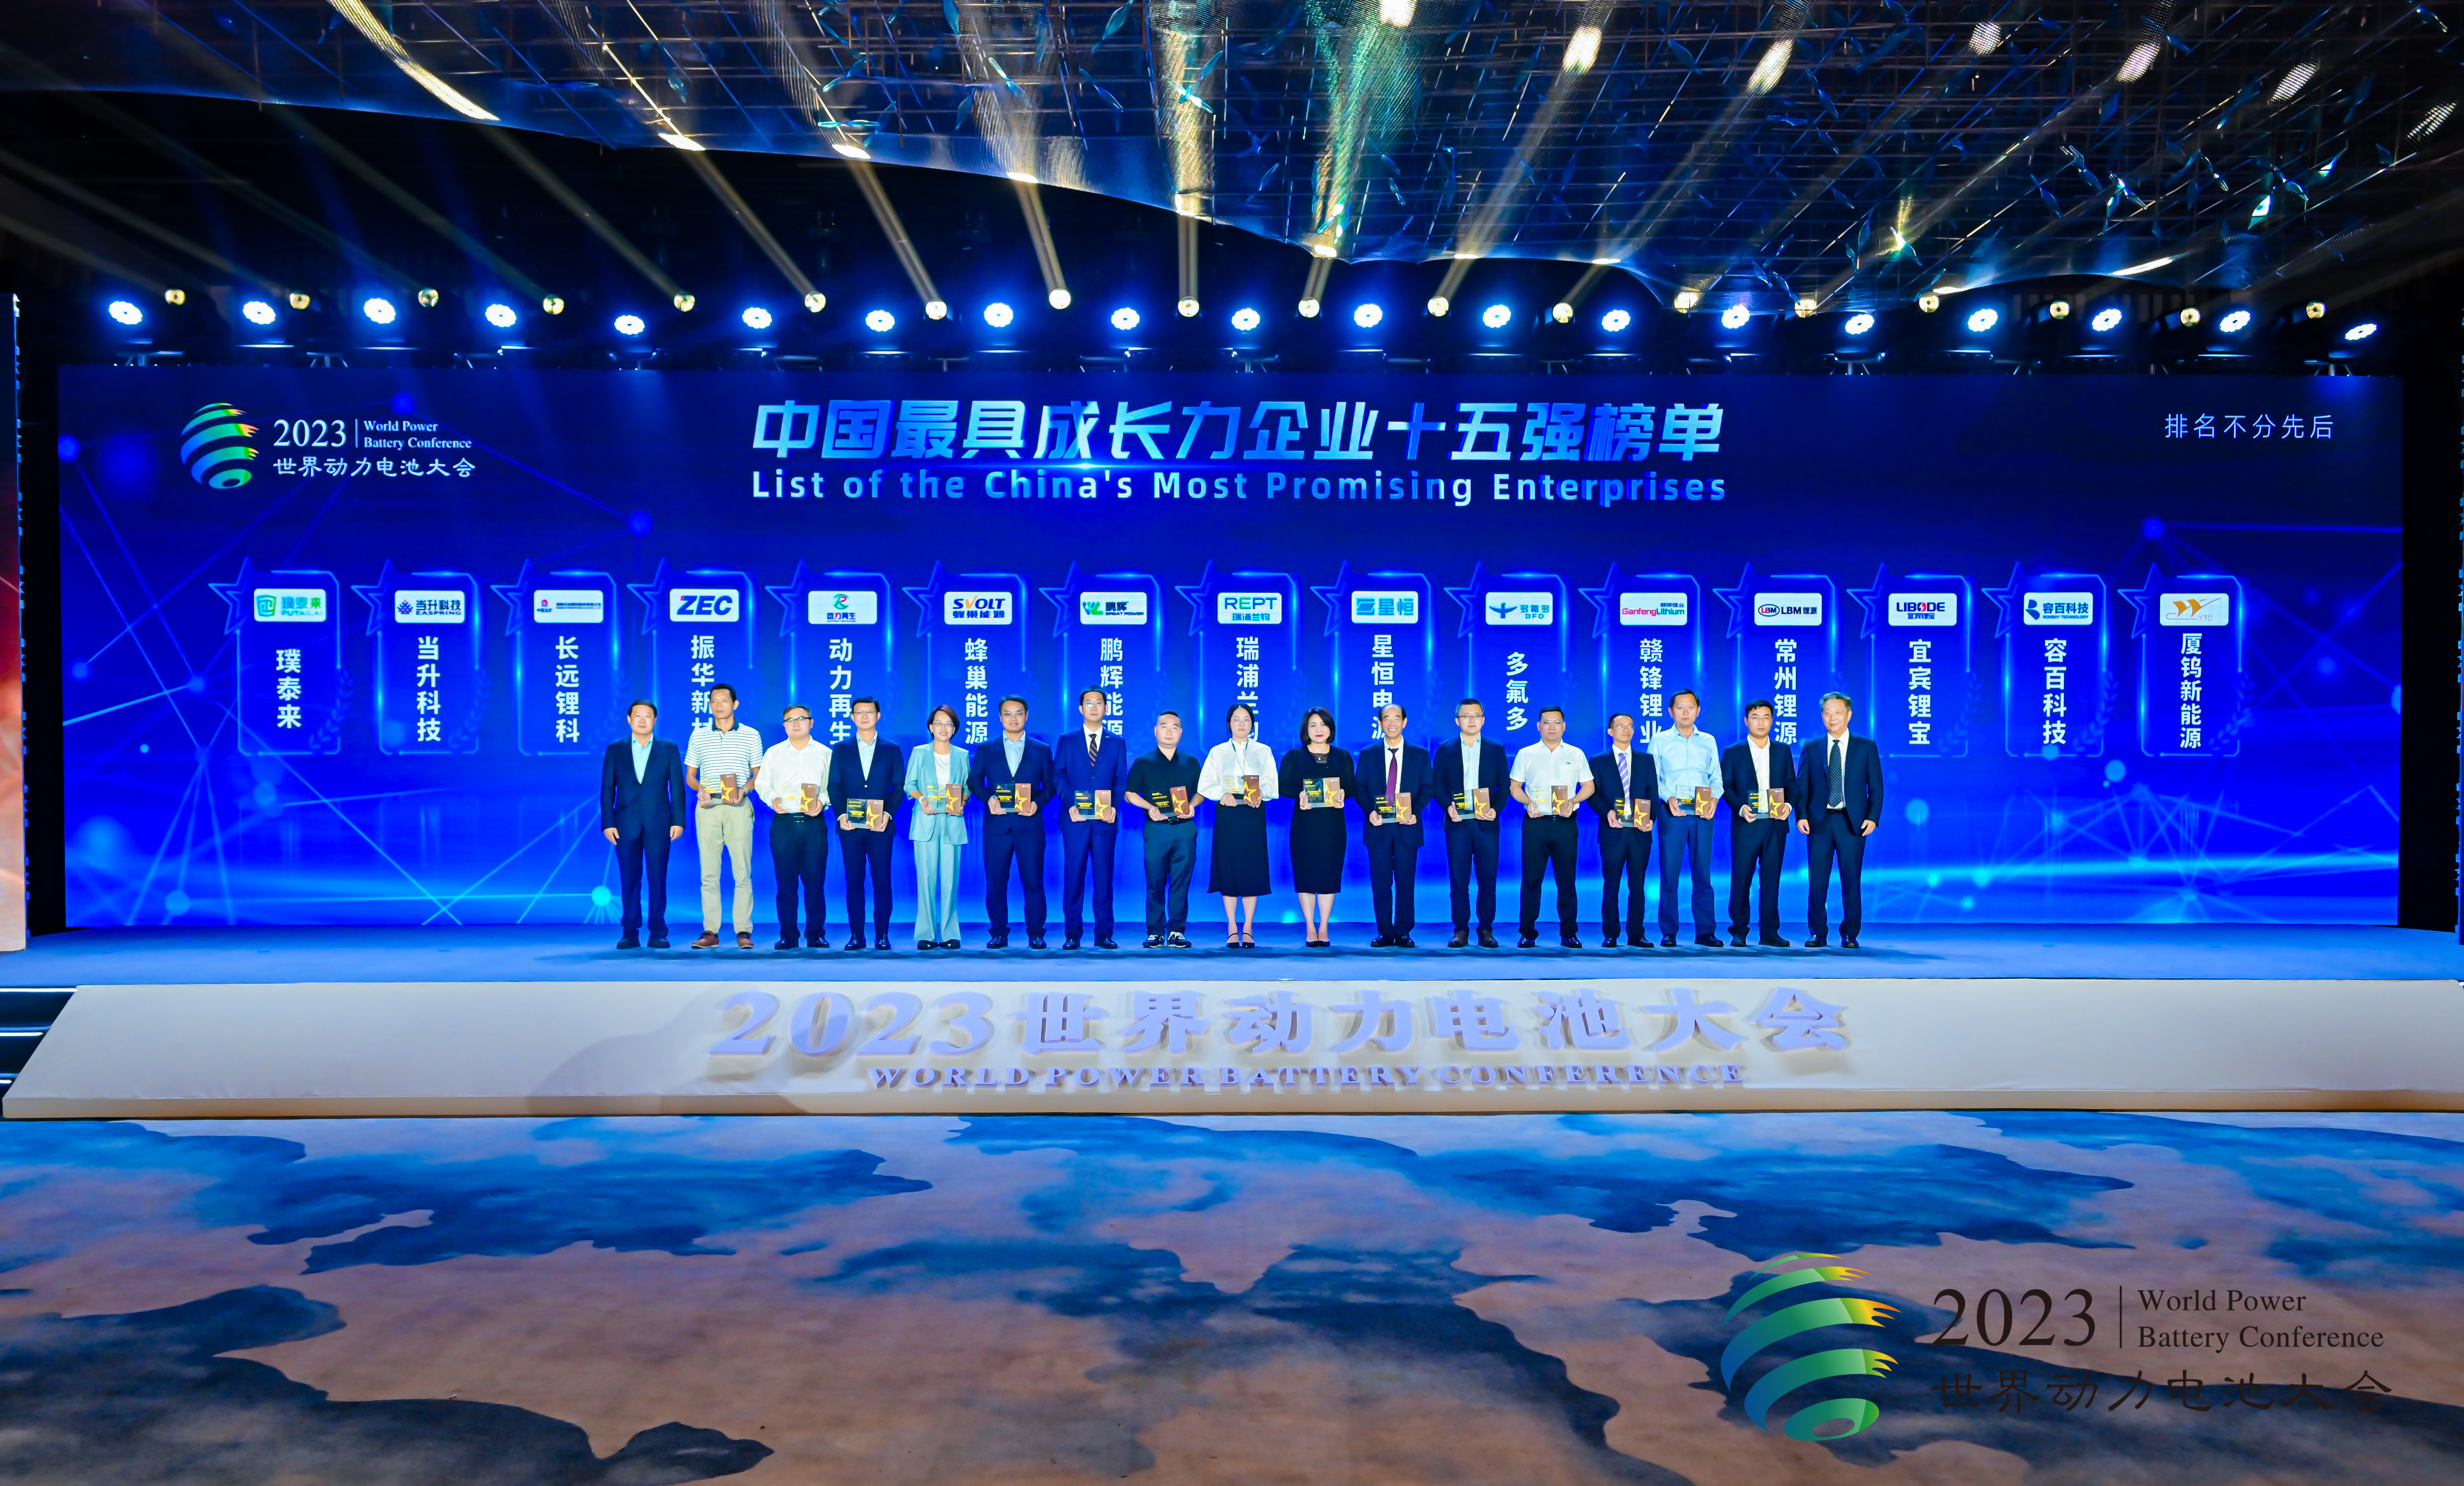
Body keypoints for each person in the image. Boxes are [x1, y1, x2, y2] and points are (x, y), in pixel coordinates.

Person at [1795, 691, 1884, 948]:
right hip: (1819, 822)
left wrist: (1873, 818)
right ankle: (1817, 933)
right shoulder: (1812, 747)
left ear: (1849, 715)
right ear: (1822, 716)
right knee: (1817, 881)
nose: (1832, 718)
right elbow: (1802, 787)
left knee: (1851, 879)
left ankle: (1850, 934)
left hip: (1852, 823)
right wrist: (1801, 815)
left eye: (1838, 712)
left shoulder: (1866, 746)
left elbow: (1876, 787)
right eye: (1827, 713)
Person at [599, 699, 689, 950]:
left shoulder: (668, 748)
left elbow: (677, 787)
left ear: (655, 721)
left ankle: (658, 931)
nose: (642, 720)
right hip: (624, 824)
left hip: (659, 822)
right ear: (629, 719)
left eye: (648, 716)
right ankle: (630, 931)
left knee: (658, 878)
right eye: (637, 715)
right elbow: (607, 788)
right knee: (629, 878)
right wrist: (608, 822)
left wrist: (678, 820)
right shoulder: (615, 749)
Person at [969, 695, 1053, 949]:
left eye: (1018, 713)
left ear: (1026, 716)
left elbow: (1051, 786)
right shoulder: (986, 749)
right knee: (996, 882)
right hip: (997, 826)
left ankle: (1036, 933)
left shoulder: (1042, 749)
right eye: (1008, 713)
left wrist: (1037, 803)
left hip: (1030, 826)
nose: (1013, 718)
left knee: (1034, 882)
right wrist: (989, 799)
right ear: (1000, 717)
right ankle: (998, 933)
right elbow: (974, 781)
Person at [683, 682, 763, 950]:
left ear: (735, 704)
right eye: (714, 701)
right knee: (709, 873)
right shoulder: (699, 735)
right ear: (710, 705)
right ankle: (711, 931)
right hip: (708, 807)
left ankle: (743, 930)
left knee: (742, 872)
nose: (719, 705)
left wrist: (744, 790)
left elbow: (758, 775)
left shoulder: (751, 735)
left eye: (725, 700)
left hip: (738, 807)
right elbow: (690, 775)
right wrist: (701, 790)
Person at [1510, 705, 1593, 948]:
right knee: (1531, 881)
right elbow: (1515, 787)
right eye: (1547, 722)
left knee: (1567, 882)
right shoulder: (1526, 754)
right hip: (1536, 824)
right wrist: (1528, 802)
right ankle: (1527, 933)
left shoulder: (1576, 754)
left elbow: (1589, 786)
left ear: (1564, 726)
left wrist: (1573, 801)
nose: (1552, 727)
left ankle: (1569, 933)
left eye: (1557, 722)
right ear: (1539, 726)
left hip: (1565, 824)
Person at [827, 695, 904, 950]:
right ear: (852, 717)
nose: (864, 716)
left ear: (878, 716)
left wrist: (887, 815)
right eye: (859, 712)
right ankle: (857, 936)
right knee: (854, 883)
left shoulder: (892, 749)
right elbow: (834, 786)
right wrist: (841, 815)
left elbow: (898, 788)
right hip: (851, 828)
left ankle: (882, 935)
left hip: (881, 827)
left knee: (883, 882)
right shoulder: (841, 749)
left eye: (869, 711)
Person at [1353, 703, 1433, 948]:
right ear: (1380, 723)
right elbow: (1360, 788)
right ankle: (1385, 932)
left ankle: (1404, 931)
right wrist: (1370, 811)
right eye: (1386, 718)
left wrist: (1414, 812)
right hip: (1378, 826)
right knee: (1381, 883)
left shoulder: (1419, 754)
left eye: (1396, 718)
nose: (1392, 723)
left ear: (1405, 722)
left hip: (1407, 826)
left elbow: (1427, 788)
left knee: (1406, 882)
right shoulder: (1368, 754)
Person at [1198, 702, 1278, 947]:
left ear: (1252, 724)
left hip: (1253, 815)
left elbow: (1272, 783)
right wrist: (1221, 793)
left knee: (1251, 870)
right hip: (1228, 815)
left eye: (1246, 720)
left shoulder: (1263, 751)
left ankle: (1249, 928)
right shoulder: (1218, 752)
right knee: (1229, 869)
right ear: (1229, 724)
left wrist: (1261, 792)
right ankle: (1232, 927)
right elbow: (1205, 784)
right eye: (1236, 719)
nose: (1241, 724)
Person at [1054, 686, 1128, 950]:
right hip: (1075, 820)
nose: (1094, 707)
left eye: (1099, 703)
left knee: (1104, 878)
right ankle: (1072, 934)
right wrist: (1070, 805)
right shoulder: (1067, 740)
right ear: (1080, 708)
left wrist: (1113, 806)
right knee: (1073, 877)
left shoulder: (1117, 742)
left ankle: (1104, 934)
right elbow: (1059, 775)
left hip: (1105, 822)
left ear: (1106, 709)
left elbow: (1121, 778)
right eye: (1089, 703)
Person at [1647, 689, 1722, 948]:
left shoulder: (1708, 741)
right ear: (1671, 712)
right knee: (1670, 875)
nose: (1686, 712)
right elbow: (1653, 778)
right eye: (1680, 707)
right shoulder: (1660, 741)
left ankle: (1706, 932)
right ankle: (1669, 932)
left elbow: (1716, 777)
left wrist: (1714, 799)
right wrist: (1668, 797)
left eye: (1690, 707)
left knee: (1703, 875)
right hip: (1673, 813)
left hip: (1703, 814)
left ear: (1698, 710)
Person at [1433, 697, 1509, 948]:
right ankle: (1461, 930)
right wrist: (1448, 807)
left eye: (1476, 716)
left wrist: (1495, 810)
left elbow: (1504, 786)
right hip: (1457, 824)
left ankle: (1486, 930)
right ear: (1458, 721)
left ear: (1483, 720)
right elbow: (1438, 785)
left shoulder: (1495, 749)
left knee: (1488, 880)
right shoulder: (1445, 749)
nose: (1472, 720)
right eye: (1466, 716)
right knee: (1459, 882)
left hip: (1486, 824)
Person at [1722, 700, 1798, 947]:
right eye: (1755, 717)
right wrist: (1740, 808)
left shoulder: (1782, 751)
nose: (1761, 722)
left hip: (1775, 824)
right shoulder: (1733, 752)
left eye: (1766, 717)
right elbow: (1726, 786)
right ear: (1746, 721)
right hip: (1747, 823)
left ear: (1772, 720)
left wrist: (1789, 806)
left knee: (1771, 880)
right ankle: (1739, 931)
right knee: (1741, 878)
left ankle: (1769, 932)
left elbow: (1792, 784)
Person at [1125, 709, 1202, 949]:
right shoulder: (1143, 762)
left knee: (1181, 882)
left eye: (1174, 727)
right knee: (1155, 882)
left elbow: (1201, 792)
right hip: (1156, 829)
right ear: (1156, 731)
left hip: (1184, 829)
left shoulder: (1190, 762)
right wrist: (1150, 807)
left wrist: (1192, 806)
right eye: (1164, 726)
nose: (1169, 731)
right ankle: (1156, 931)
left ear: (1181, 732)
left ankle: (1177, 931)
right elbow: (1129, 794)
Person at [759, 702, 833, 950]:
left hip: (813, 825)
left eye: (801, 719)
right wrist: (773, 799)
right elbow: (762, 784)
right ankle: (788, 935)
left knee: (815, 883)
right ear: (784, 726)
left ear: (811, 723)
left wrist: (822, 801)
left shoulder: (825, 753)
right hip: (785, 824)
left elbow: (833, 786)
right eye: (790, 720)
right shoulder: (774, 753)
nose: (796, 723)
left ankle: (816, 935)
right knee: (786, 884)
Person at [1278, 707, 1352, 949]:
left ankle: (1324, 927)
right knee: (1306, 876)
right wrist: (1300, 794)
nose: (1319, 730)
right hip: (1305, 826)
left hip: (1333, 826)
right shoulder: (1294, 756)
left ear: (1330, 728)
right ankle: (1310, 927)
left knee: (1329, 876)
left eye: (1323, 724)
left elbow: (1352, 786)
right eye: (1313, 725)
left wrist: (1343, 793)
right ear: (1306, 730)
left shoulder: (1342, 756)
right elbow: (1282, 786)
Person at [1586, 713, 1657, 949]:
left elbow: (1653, 794)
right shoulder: (1598, 761)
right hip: (1612, 831)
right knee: (1612, 884)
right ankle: (1611, 933)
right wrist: (1607, 811)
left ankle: (1637, 934)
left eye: (1630, 726)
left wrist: (1651, 819)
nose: (1626, 730)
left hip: (1640, 832)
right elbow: (1592, 795)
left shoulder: (1646, 760)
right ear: (1610, 731)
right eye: (1620, 726)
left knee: (1638, 885)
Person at [906, 704, 971, 950]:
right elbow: (909, 784)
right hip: (926, 820)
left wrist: (963, 802)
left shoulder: (962, 755)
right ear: (931, 727)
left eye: (949, 724)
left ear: (954, 729)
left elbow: (967, 787)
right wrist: (922, 799)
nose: (944, 728)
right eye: (939, 723)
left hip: (952, 821)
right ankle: (926, 933)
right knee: (925, 879)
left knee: (950, 881)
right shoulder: (919, 753)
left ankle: (949, 933)